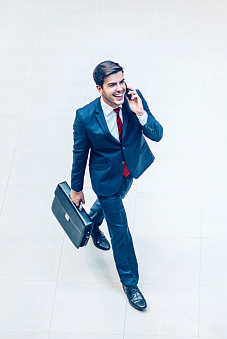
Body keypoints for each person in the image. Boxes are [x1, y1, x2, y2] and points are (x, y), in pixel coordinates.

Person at [70, 60, 163, 310]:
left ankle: (93, 222)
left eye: (122, 81)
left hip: (129, 171)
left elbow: (157, 134)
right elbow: (80, 154)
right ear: (99, 89)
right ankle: (130, 283)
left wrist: (140, 113)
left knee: (114, 200)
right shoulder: (86, 116)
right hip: (104, 178)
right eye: (112, 85)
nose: (120, 88)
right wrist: (76, 188)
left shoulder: (135, 99)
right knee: (120, 230)